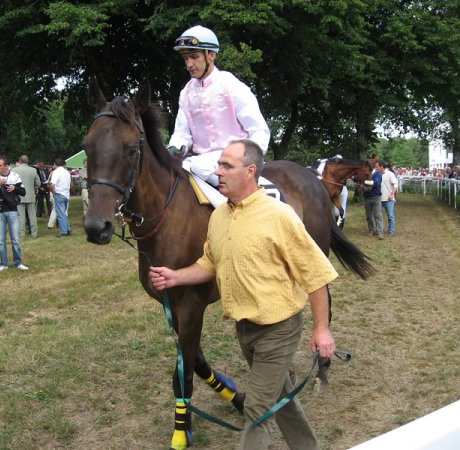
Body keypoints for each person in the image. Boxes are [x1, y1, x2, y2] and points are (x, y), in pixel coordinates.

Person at [149, 139, 338, 450]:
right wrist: (175, 276)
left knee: (256, 410)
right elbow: (210, 261)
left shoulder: (279, 216)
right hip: (245, 330)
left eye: (226, 166)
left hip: (279, 330)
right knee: (280, 398)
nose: (217, 171)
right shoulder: (220, 216)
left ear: (250, 171)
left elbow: (316, 275)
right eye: (219, 164)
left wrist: (322, 329)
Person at [168, 25, 271, 207]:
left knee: (195, 166)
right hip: (201, 163)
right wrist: (172, 150)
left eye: (194, 57)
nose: (189, 64)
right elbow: (182, 134)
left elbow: (259, 130)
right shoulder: (186, 92)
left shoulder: (231, 85)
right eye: (186, 59)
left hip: (236, 160)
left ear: (211, 55)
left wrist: (249, 166)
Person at [0, 156, 28, 272]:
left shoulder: (15, 176)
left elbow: (23, 192)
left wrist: (14, 188)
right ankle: (3, 264)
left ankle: (18, 263)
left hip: (12, 210)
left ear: (6, 166)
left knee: (15, 239)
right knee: (1, 240)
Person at [12, 154, 41, 237]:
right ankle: (34, 233)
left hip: (19, 195)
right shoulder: (33, 170)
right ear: (28, 161)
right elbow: (38, 183)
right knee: (32, 216)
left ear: (20, 161)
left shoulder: (14, 170)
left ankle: (21, 233)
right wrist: (34, 188)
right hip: (31, 195)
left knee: (20, 216)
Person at [49, 158, 71, 237]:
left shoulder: (56, 172)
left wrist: (53, 192)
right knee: (64, 213)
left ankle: (64, 231)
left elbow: (52, 184)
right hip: (66, 194)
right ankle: (68, 229)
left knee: (60, 214)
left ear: (55, 164)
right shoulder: (67, 172)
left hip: (59, 193)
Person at [363, 161, 384, 240]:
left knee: (378, 215)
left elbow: (376, 183)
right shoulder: (366, 173)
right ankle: (371, 230)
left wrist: (365, 182)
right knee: (369, 216)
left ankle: (380, 233)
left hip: (376, 197)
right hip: (367, 197)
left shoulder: (377, 174)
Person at [379, 161, 398, 236]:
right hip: (379, 199)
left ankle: (391, 230)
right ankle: (380, 229)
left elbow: (395, 185)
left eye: (378, 167)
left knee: (390, 215)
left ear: (382, 167)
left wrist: (392, 194)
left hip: (389, 199)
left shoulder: (390, 174)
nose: (376, 168)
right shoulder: (378, 174)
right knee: (379, 216)